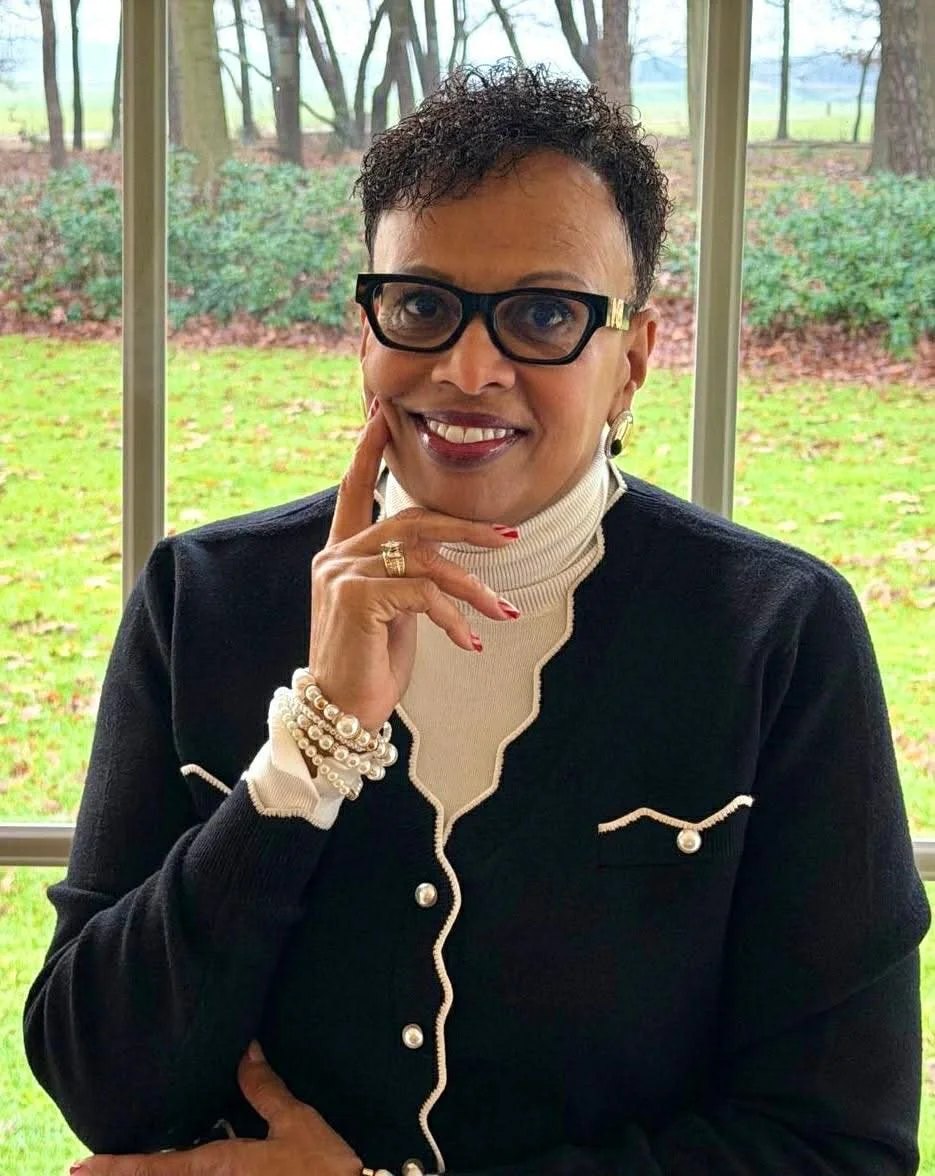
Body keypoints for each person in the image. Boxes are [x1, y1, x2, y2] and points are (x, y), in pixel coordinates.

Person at [25, 63, 929, 1176]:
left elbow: (838, 1145)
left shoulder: (776, 637)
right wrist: (312, 745)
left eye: (545, 314)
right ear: (363, 332)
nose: (466, 368)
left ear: (632, 361)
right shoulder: (200, 600)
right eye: (420, 306)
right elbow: (102, 1083)